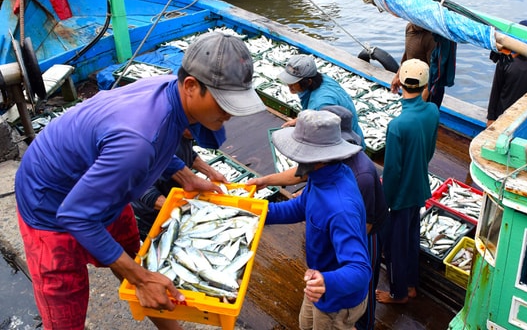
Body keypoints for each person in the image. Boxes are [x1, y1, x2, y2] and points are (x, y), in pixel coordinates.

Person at [14, 31, 266, 330]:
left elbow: (159, 140)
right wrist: (142, 278)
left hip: (105, 186)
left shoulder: (169, 93)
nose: (231, 114)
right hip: (51, 204)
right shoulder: (137, 141)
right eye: (225, 103)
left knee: (138, 261)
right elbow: (75, 215)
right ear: (190, 85)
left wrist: (185, 174)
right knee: (67, 307)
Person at [247, 105, 388, 330]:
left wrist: (327, 282)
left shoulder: (341, 207)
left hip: (337, 300)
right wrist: (258, 212)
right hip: (318, 284)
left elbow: (360, 269)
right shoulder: (322, 175)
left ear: (317, 157)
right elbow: (300, 207)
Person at [376, 59, 439, 304]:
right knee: (411, 238)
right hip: (420, 187)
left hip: (400, 198)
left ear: (400, 83)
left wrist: (386, 203)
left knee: (394, 247)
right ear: (425, 86)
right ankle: (412, 284)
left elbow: (391, 171)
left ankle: (399, 293)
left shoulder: (397, 126)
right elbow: (430, 149)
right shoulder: (433, 111)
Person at [132, 128, 228, 241]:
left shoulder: (185, 133)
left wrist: (211, 173)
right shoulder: (151, 140)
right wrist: (182, 209)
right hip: (153, 214)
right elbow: (141, 188)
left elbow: (189, 154)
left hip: (176, 198)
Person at [277, 54, 366, 148]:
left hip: (349, 145)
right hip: (354, 134)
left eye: (294, 82)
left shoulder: (321, 104)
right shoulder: (322, 79)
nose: (289, 85)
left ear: (309, 81)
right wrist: (298, 120)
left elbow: (322, 137)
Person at [390, 22, 456, 108]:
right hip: (411, 85)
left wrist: (422, 101)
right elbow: (407, 53)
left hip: (429, 87)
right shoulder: (409, 27)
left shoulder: (432, 37)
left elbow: (433, 72)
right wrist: (398, 75)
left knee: (426, 117)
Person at [487, 19, 527, 126]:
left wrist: (491, 117)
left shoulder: (506, 60)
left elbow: (495, 90)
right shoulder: (506, 60)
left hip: (503, 115)